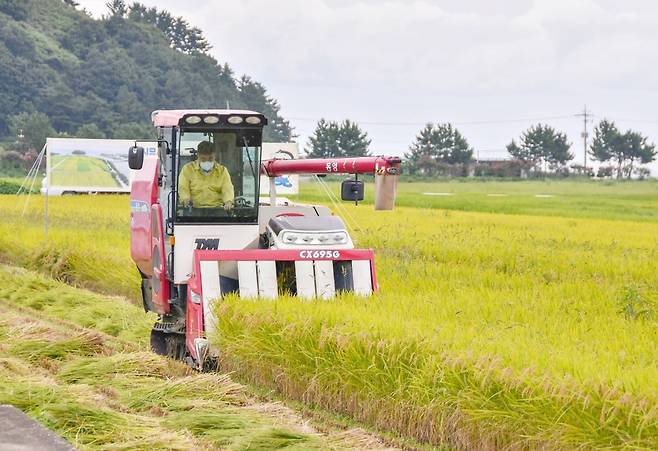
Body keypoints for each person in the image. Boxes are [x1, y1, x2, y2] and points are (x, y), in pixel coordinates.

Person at [178, 141, 234, 210]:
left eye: (210, 159)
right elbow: (183, 188)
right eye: (203, 159)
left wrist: (228, 201)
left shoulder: (222, 171)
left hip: (217, 210)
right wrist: (186, 200)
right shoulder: (187, 169)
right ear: (198, 156)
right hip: (194, 210)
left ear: (215, 156)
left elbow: (227, 188)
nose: (207, 162)